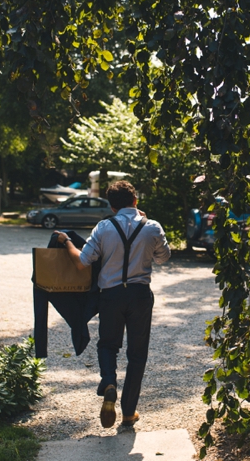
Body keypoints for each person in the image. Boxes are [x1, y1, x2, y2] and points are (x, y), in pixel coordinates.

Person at [53, 180, 170, 428]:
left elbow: (82, 263)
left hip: (111, 296)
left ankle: (108, 382)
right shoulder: (152, 227)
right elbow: (163, 258)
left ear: (111, 206)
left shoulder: (103, 227)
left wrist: (67, 242)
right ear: (135, 201)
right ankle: (128, 413)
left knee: (107, 345)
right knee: (137, 355)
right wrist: (148, 230)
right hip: (139, 295)